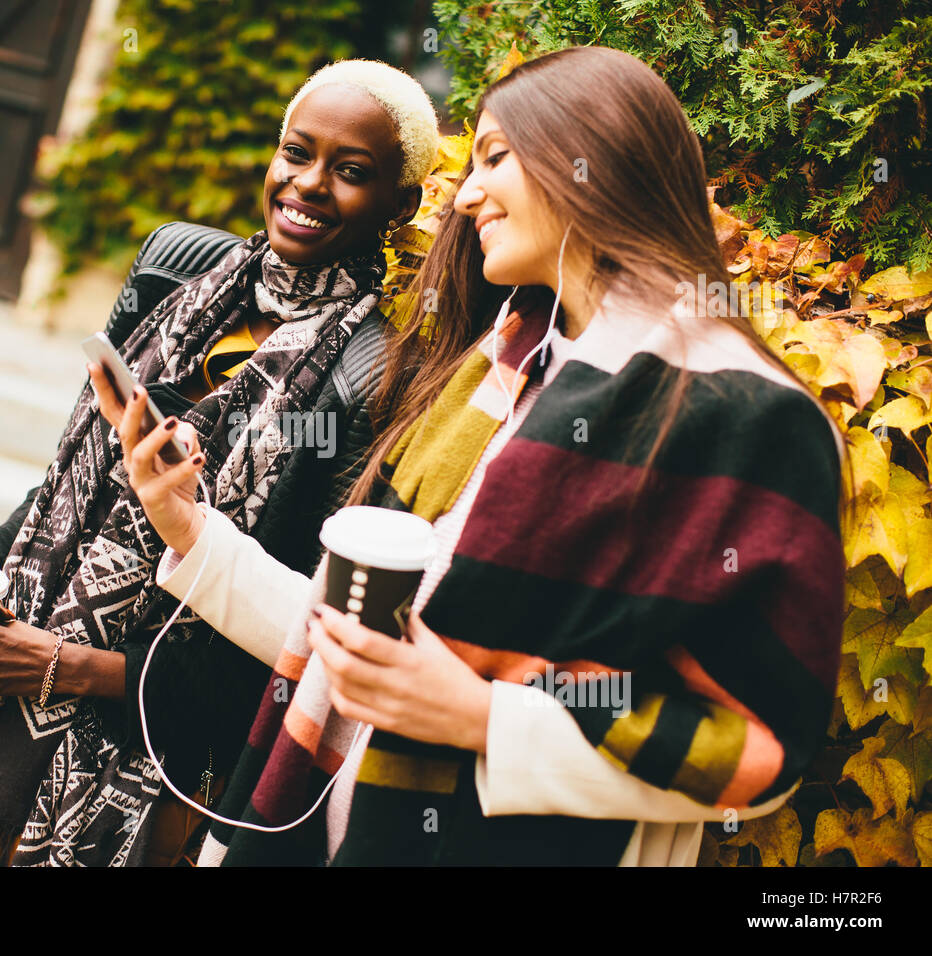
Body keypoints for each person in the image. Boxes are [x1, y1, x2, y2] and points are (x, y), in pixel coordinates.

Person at [99, 45, 850, 865]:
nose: (466, 193)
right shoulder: (496, 374)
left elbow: (759, 745)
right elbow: (348, 650)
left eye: (495, 156)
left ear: (587, 162)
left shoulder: (740, 414)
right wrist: (187, 526)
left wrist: (485, 719)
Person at [0, 58, 440, 867]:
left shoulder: (371, 383)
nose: (307, 184)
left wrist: (64, 667)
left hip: (138, 783)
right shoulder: (180, 279)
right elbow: (70, 493)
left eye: (350, 172)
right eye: (296, 153)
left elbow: (281, 661)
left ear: (400, 203)